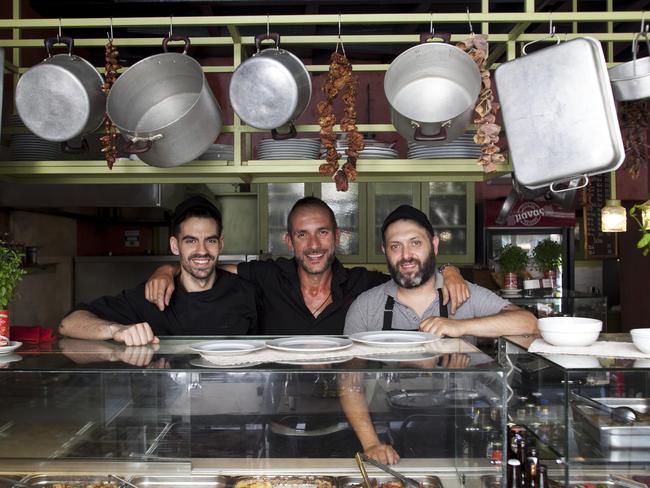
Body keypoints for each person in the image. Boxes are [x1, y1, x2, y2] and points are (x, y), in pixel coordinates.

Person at [341, 204, 538, 464]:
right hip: (388, 431)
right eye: (395, 246)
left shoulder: (463, 294)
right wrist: (372, 443)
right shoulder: (366, 306)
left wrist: (460, 326)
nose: (406, 255)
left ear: (434, 245)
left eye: (415, 243)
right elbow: (348, 382)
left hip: (463, 432)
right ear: (385, 252)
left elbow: (529, 324)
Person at [144, 197, 470, 335]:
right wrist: (166, 270)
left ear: (337, 237)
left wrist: (450, 271)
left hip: (346, 416)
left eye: (322, 233)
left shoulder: (363, 284)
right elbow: (205, 265)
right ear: (289, 241)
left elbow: (410, 273)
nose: (313, 245)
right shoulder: (267, 276)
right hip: (275, 415)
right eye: (303, 235)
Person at [59, 195, 258, 345]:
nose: (202, 251)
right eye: (191, 241)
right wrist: (116, 330)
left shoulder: (247, 293)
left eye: (210, 241)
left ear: (220, 244)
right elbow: (69, 323)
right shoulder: (151, 296)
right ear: (174, 245)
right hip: (168, 398)